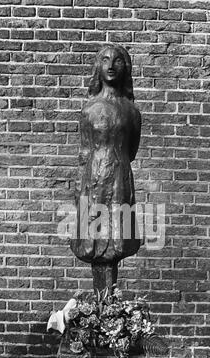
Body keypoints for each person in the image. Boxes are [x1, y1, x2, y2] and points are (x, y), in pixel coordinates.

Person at [70, 44, 141, 292]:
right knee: (94, 240)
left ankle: (110, 308)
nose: (111, 66)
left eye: (117, 61)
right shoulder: (88, 110)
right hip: (93, 181)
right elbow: (84, 151)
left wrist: (115, 167)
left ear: (126, 68)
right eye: (105, 60)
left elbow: (131, 150)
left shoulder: (131, 111)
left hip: (120, 181)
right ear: (98, 67)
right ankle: (101, 310)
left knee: (117, 240)